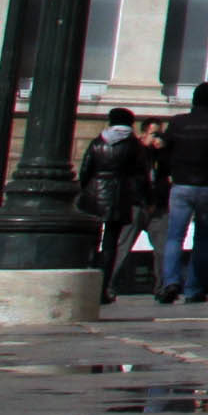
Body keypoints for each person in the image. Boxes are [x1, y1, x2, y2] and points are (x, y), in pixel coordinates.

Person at [151, 81, 208, 305]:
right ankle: (194, 288)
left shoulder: (178, 122)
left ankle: (170, 281)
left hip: (180, 184)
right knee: (203, 238)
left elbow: (165, 150)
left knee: (174, 237)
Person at [77, 106, 148, 297]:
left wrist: (84, 190)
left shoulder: (97, 142)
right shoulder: (134, 145)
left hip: (93, 193)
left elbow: (85, 170)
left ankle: (87, 282)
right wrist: (143, 198)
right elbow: (142, 174)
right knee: (110, 244)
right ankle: (102, 287)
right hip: (119, 195)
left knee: (92, 241)